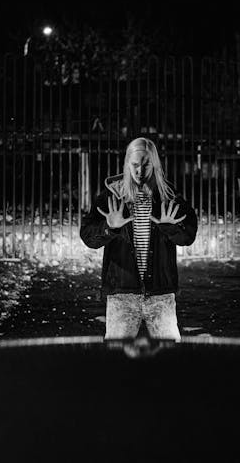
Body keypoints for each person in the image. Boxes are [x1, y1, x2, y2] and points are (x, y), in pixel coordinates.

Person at [80, 137, 197, 341]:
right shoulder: (112, 196)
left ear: (155, 164)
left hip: (161, 294)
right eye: (134, 165)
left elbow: (188, 237)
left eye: (146, 165)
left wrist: (170, 228)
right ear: (126, 164)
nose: (140, 171)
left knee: (168, 360)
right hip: (122, 294)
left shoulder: (167, 196)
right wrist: (109, 227)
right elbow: (89, 237)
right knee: (118, 361)